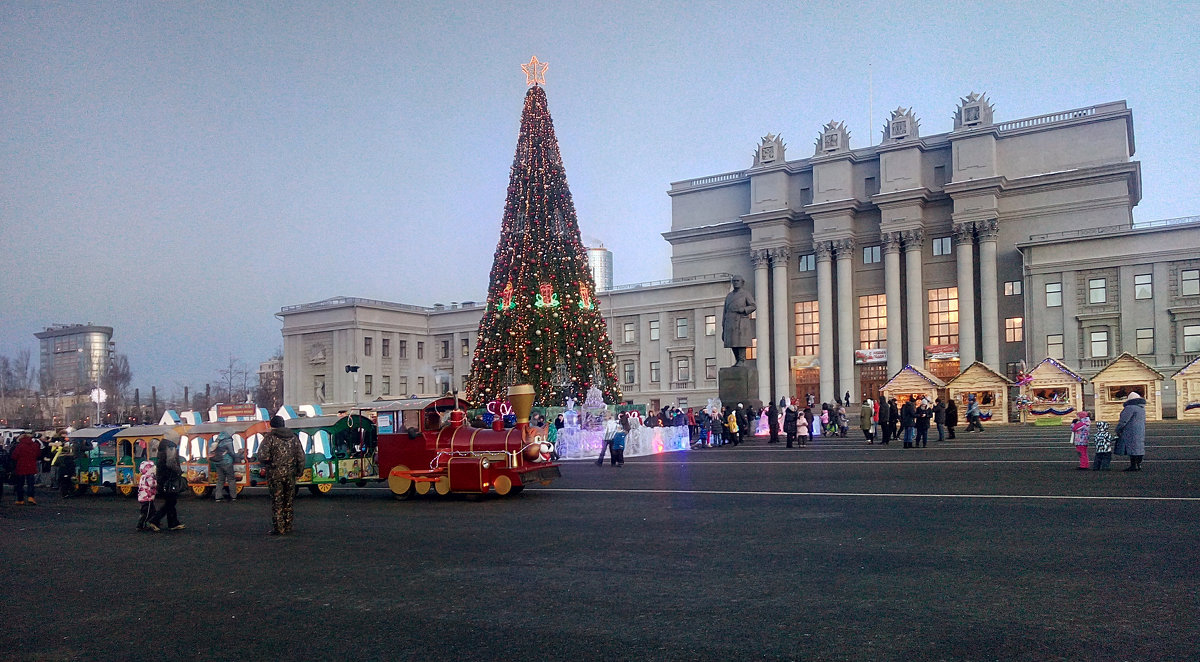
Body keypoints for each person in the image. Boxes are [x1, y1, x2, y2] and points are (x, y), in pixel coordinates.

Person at [259, 416, 305, 534]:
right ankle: (288, 525)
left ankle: (279, 528)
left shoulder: (269, 438)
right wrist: (299, 471)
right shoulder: (294, 437)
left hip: (275, 474)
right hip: (290, 474)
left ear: (272, 425)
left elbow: (263, 456)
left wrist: (270, 462)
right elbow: (301, 456)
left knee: (277, 501)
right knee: (289, 501)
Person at [147, 431, 185, 531]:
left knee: (170, 501)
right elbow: (170, 463)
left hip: (162, 477)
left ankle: (173, 523)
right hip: (169, 478)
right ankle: (154, 520)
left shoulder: (162, 446)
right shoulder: (170, 447)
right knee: (171, 501)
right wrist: (179, 471)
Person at [722, 275, 757, 365]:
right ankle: (737, 359)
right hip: (730, 321)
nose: (735, 283)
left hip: (741, 320)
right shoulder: (729, 296)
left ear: (742, 282)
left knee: (740, 341)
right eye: (734, 281)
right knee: (732, 342)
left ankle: (741, 359)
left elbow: (753, 306)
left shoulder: (745, 294)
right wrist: (723, 327)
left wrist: (744, 309)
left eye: (737, 281)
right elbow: (725, 312)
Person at [1114, 391, 1146, 471]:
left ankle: (1133, 465)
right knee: (1139, 448)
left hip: (1130, 430)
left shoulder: (1129, 408)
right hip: (1140, 430)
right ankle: (1138, 464)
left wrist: (1118, 429)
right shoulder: (1141, 408)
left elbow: (1124, 420)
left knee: (1132, 449)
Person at [12, 433, 41, 505]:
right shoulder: (35, 445)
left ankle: (20, 499)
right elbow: (38, 454)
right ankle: (31, 497)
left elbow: (14, 456)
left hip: (21, 466)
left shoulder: (19, 446)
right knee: (31, 483)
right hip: (31, 466)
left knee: (20, 484)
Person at [209, 431, 238, 502]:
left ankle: (218, 497)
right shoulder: (228, 441)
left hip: (218, 462)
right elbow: (231, 452)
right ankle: (233, 496)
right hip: (227, 462)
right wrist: (237, 456)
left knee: (220, 480)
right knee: (231, 479)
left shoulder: (217, 440)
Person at [136, 460, 157, 531]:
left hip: (143, 497)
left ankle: (150, 522)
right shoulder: (148, 477)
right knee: (146, 513)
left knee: (151, 510)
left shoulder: (142, 477)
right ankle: (141, 525)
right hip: (147, 498)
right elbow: (153, 484)